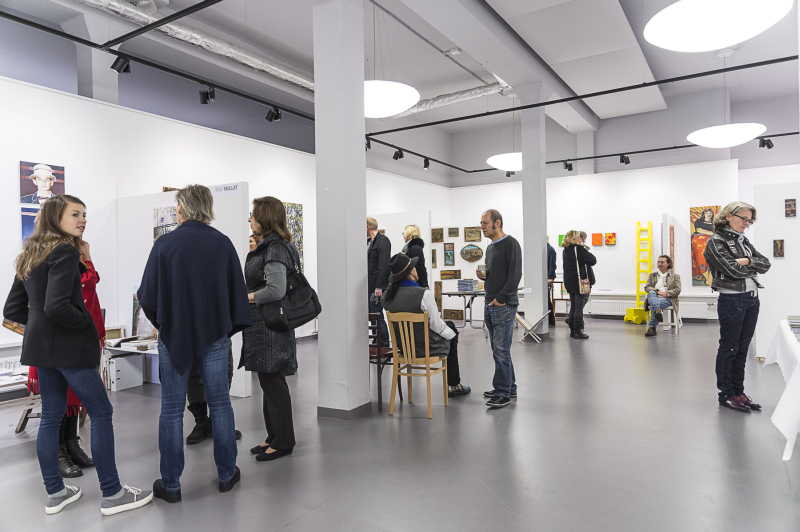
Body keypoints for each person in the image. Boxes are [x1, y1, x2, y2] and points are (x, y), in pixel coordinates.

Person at [4, 195, 152, 516]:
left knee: (52, 417)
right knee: (101, 412)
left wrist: (42, 328)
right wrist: (84, 322)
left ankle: (56, 493)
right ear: (56, 216)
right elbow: (57, 305)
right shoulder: (65, 251)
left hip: (42, 351)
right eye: (76, 214)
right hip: (69, 348)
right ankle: (113, 493)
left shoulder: (29, 253)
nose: (83, 220)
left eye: (84, 214)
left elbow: (12, 310)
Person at [138, 185, 251, 502]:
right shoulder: (223, 243)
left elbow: (147, 296)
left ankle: (171, 485)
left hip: (174, 337)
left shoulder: (165, 244)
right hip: (214, 336)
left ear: (182, 208)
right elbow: (235, 295)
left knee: (171, 411)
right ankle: (227, 475)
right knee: (221, 405)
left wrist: (165, 325)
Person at [242, 196, 300, 462]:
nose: (250, 219)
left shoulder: (275, 249)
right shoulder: (270, 246)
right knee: (268, 382)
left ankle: (284, 441)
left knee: (274, 384)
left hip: (270, 328)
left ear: (264, 218)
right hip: (263, 327)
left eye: (253, 214)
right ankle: (274, 436)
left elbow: (275, 290)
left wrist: (247, 297)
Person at [704, 201, 770, 413]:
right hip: (733, 300)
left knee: (743, 349)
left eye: (749, 220)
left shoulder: (742, 240)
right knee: (730, 347)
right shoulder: (715, 241)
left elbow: (766, 263)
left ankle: (738, 392)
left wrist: (745, 260)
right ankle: (726, 395)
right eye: (743, 218)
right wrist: (748, 263)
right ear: (728, 216)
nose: (746, 223)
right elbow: (732, 270)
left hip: (751, 299)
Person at [382, 254, 471, 397]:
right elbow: (437, 327)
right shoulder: (424, 294)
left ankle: (454, 384)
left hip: (404, 349)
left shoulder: (387, 297)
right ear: (411, 272)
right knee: (451, 329)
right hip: (427, 348)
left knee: (448, 327)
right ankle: (454, 385)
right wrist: (451, 333)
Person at [476, 209, 521, 409]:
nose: (482, 227)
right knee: (498, 349)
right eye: (481, 223)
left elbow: (515, 275)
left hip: (502, 304)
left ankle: (502, 393)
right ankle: (509, 386)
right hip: (490, 302)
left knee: (501, 349)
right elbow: (496, 273)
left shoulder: (511, 244)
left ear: (497, 223)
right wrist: (483, 276)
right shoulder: (490, 247)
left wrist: (501, 298)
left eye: (485, 223)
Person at [561, 230, 596, 340]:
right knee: (579, 307)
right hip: (579, 282)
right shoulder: (579, 249)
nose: (579, 239)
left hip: (569, 282)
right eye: (578, 237)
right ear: (573, 239)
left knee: (574, 306)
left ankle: (572, 330)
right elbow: (593, 260)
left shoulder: (565, 250)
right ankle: (577, 331)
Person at [643, 255, 682, 337]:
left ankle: (652, 327)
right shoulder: (652, 275)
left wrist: (665, 294)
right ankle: (657, 310)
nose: (659, 264)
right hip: (654, 296)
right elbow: (647, 287)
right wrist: (657, 291)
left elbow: (677, 289)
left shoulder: (675, 276)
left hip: (668, 299)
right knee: (651, 293)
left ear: (668, 264)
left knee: (655, 303)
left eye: (662, 262)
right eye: (658, 262)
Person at [367, 217, 391, 347]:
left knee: (377, 315)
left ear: (367, 227)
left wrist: (379, 287)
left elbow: (383, 265)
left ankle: (383, 345)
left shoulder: (383, 241)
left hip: (376, 287)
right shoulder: (369, 242)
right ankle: (377, 342)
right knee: (373, 316)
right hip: (370, 286)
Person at [691, 208, 716, 285]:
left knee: (712, 259)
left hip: (711, 241)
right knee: (702, 257)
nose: (709, 214)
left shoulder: (714, 223)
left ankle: (710, 279)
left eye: (710, 213)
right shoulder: (699, 221)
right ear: (704, 214)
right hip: (700, 242)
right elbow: (699, 230)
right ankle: (707, 278)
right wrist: (712, 234)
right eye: (707, 212)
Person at [547, 241, 557, 327]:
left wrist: (550, 277)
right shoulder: (544, 249)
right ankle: (550, 320)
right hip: (542, 278)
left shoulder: (550, 250)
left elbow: (552, 265)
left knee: (546, 300)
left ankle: (551, 320)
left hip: (547, 278)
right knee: (546, 300)